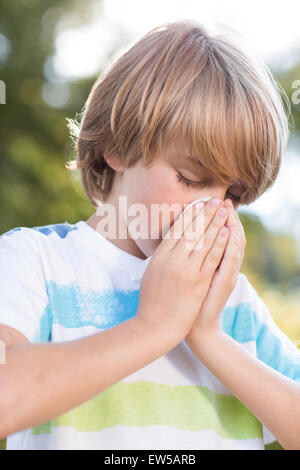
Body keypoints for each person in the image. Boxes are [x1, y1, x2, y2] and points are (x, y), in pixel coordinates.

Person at [1, 19, 300, 451]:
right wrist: (154, 327)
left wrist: (208, 337)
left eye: (233, 194)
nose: (211, 210)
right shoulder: (37, 262)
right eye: (192, 178)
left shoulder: (230, 303)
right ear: (118, 146)